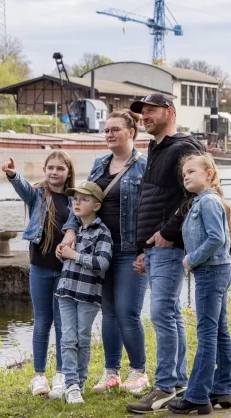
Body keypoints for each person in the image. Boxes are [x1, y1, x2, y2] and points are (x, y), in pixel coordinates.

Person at [125, 93, 207, 414]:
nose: (144, 116)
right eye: (141, 112)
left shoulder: (183, 148)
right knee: (169, 312)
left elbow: (193, 197)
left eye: (150, 110)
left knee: (162, 313)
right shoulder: (155, 147)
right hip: (155, 246)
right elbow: (151, 199)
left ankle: (163, 386)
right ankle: (179, 381)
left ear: (170, 112)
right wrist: (143, 247)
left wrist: (166, 233)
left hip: (170, 245)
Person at [61, 110, 150, 394]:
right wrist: (72, 229)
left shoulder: (143, 167)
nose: (109, 134)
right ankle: (111, 372)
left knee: (128, 311)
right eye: (106, 130)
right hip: (99, 246)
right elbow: (81, 199)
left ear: (131, 132)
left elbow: (152, 210)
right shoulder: (100, 164)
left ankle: (139, 372)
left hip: (129, 250)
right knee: (109, 312)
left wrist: (146, 249)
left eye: (115, 129)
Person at [2, 151, 77, 400]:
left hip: (66, 270)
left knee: (63, 323)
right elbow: (23, 188)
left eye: (60, 169)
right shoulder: (38, 196)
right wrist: (13, 175)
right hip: (40, 268)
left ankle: (60, 374)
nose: (54, 173)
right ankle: (39, 375)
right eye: (50, 168)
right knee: (42, 322)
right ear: (44, 170)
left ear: (68, 172)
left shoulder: (75, 199)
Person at [168, 153, 231, 415]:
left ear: (209, 174)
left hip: (210, 272)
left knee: (207, 334)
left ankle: (197, 396)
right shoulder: (202, 201)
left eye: (192, 172)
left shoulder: (207, 202)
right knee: (220, 331)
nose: (186, 176)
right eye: (184, 173)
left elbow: (217, 239)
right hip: (218, 271)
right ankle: (222, 388)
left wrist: (190, 260)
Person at [54, 181, 113, 404]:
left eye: (84, 199)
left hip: (88, 295)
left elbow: (102, 262)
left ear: (96, 206)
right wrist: (62, 251)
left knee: (82, 338)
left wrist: (74, 255)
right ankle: (70, 384)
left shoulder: (102, 233)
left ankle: (79, 382)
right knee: (68, 338)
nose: (77, 203)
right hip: (66, 291)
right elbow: (66, 258)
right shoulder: (73, 230)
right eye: (75, 199)